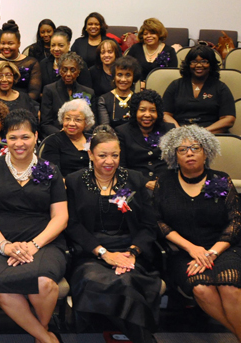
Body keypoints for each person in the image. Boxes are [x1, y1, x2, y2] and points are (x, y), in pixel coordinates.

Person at [155, 126, 241, 343]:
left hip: (225, 247)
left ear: (206, 152)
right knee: (202, 288)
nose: (190, 153)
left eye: (195, 148)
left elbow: (235, 222)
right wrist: (192, 249)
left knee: (229, 285)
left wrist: (211, 253)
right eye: (182, 149)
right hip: (185, 251)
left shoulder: (220, 180)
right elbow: (158, 222)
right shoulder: (164, 181)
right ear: (174, 156)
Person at [0, 110, 68, 343]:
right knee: (1, 286)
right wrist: (4, 245)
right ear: (5, 138)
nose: (19, 143)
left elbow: (61, 217)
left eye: (25, 137)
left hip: (44, 243)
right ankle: (47, 338)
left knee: (44, 283)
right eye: (13, 137)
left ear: (36, 136)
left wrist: (35, 245)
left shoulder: (50, 169)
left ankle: (40, 335)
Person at [64, 126, 162, 343]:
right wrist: (104, 253)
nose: (109, 161)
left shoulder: (135, 179)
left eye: (115, 155)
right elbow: (73, 225)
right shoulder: (74, 181)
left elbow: (148, 224)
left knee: (126, 280)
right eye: (102, 155)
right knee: (100, 281)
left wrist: (132, 253)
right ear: (90, 154)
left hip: (130, 251)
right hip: (91, 253)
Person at [162, 45, 236, 133]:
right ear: (188, 64)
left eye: (204, 61)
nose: (199, 65)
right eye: (194, 62)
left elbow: (229, 119)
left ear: (211, 64)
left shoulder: (220, 88)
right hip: (179, 133)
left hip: (210, 134)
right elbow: (165, 114)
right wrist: (179, 130)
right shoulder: (176, 85)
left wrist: (202, 132)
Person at [119, 90, 174, 186]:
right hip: (135, 185)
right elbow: (121, 167)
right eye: (142, 110)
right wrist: (145, 182)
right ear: (135, 111)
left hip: (166, 183)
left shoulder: (169, 129)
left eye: (152, 110)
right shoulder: (122, 132)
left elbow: (174, 163)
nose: (147, 115)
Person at [0, 21, 43, 101]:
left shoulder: (32, 63)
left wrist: (18, 104)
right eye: (3, 43)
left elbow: (34, 92)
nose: (6, 47)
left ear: (19, 44)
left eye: (10, 44)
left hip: (24, 103)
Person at [40, 52, 96, 135]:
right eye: (65, 70)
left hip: (81, 136)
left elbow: (92, 123)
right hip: (57, 136)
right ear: (60, 71)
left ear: (78, 72)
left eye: (72, 70)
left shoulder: (88, 92)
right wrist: (63, 134)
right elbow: (45, 123)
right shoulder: (49, 90)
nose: (68, 74)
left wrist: (78, 134)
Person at [40, 99, 94, 176]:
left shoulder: (93, 140)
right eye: (67, 119)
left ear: (86, 122)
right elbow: (53, 174)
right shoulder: (53, 141)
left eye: (77, 120)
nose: (71, 123)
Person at [96, 55, 141, 127]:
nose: (123, 79)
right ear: (114, 76)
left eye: (128, 75)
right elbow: (105, 128)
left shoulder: (139, 100)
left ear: (133, 77)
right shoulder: (104, 100)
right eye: (119, 75)